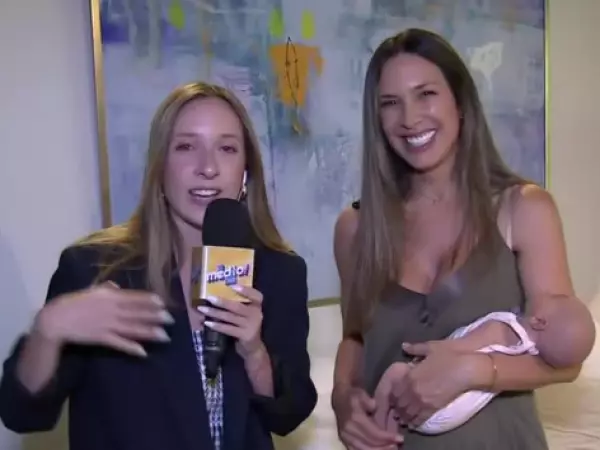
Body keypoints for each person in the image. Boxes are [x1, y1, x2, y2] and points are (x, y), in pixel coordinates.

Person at [0, 82, 317, 450]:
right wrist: (47, 332)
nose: (208, 168)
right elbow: (21, 414)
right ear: (159, 167)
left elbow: (290, 414)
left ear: (246, 171)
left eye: (227, 148)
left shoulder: (279, 272)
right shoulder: (93, 270)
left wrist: (254, 353)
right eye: (186, 147)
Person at [330, 28, 595, 450]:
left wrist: (473, 370)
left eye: (426, 94)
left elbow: (565, 358)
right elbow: (355, 337)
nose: (410, 118)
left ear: (460, 103)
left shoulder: (523, 209)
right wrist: (342, 398)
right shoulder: (355, 229)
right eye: (390, 103)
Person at [372, 294, 596, 437]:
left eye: (553, 297)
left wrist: (426, 352)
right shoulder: (529, 358)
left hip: (437, 401)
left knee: (396, 374)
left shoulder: (504, 329)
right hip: (449, 417)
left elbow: (459, 348)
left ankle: (377, 429)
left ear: (539, 321)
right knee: (399, 405)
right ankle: (391, 436)